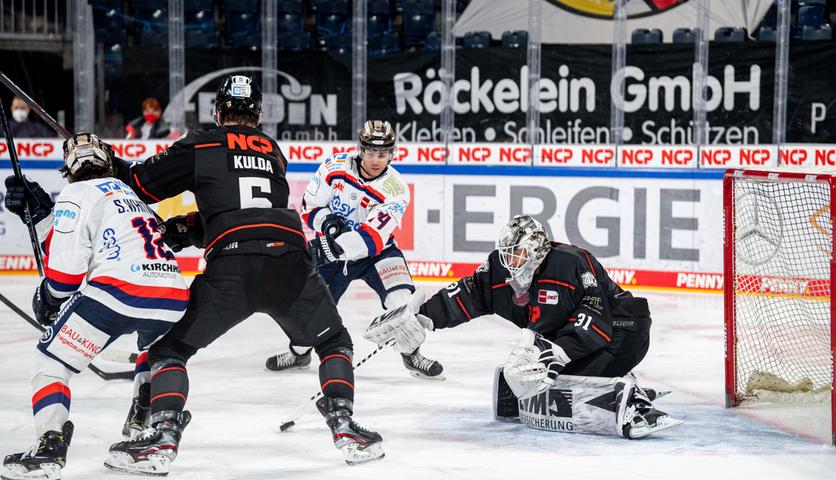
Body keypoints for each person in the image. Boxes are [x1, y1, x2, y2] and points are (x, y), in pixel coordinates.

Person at [103, 73, 383, 476]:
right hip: (290, 259)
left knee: (169, 351)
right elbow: (249, 207)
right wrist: (193, 227)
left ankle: (163, 436)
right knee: (335, 341)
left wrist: (107, 161)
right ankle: (343, 426)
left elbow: (138, 185)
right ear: (257, 114)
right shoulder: (273, 151)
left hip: (232, 266)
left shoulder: (200, 142)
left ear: (219, 111)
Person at [364, 215, 684, 439]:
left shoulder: (570, 262)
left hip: (622, 331)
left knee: (550, 374)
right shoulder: (501, 271)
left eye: (517, 253)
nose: (511, 261)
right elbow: (467, 294)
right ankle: (612, 383)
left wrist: (552, 352)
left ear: (537, 249)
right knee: (530, 375)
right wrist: (422, 319)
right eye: (508, 253)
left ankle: (635, 403)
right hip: (572, 335)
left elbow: (595, 318)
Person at [1, 134, 188, 480]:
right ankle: (143, 425)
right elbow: (91, 240)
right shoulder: (130, 195)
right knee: (156, 350)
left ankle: (49, 445)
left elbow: (65, 276)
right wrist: (40, 217)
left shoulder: (75, 194)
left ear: (67, 171)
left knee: (52, 362)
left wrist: (48, 298)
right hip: (172, 292)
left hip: (119, 292)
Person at [264, 120, 444, 380]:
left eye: (383, 154)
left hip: (376, 255)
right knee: (310, 312)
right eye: (371, 152)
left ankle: (412, 354)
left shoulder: (395, 189)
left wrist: (330, 245)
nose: (376, 159)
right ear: (361, 150)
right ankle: (299, 352)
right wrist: (328, 224)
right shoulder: (334, 167)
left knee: (401, 302)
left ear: (392, 154)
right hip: (336, 255)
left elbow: (370, 240)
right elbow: (309, 206)